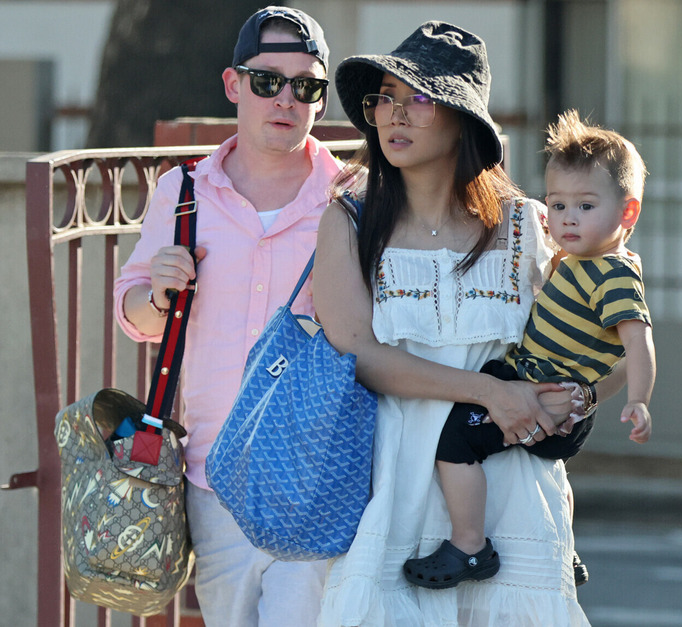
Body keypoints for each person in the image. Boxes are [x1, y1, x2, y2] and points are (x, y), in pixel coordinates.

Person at [313, 21, 611, 627]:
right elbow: (358, 353)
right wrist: (489, 392)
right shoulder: (347, 219)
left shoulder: (531, 224)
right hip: (393, 481)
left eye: (418, 99)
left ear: (462, 119)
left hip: (512, 485)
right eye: (384, 99)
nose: (394, 115)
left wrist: (578, 398)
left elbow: (603, 329)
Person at [113, 7, 343, 626]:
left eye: (307, 86)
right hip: (213, 478)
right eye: (268, 80)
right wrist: (157, 291)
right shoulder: (182, 191)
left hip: (313, 474)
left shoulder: (350, 197)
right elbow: (132, 311)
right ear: (232, 85)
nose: (287, 99)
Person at [404, 109, 655, 592]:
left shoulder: (615, 274)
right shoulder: (577, 259)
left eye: (585, 205)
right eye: (558, 204)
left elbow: (638, 343)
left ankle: (470, 547)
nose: (567, 218)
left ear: (627, 213)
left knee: (454, 443)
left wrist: (638, 399)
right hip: (530, 378)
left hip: (550, 396)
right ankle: (566, 546)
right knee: (544, 464)